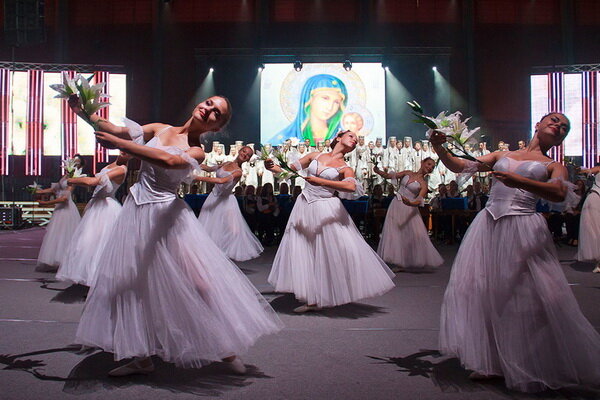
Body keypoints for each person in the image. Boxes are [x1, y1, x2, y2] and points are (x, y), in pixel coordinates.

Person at [72, 96, 282, 376]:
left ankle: (226, 348)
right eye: (209, 104)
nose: (208, 110)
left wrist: (125, 146)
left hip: (169, 217)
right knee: (133, 283)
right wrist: (83, 111)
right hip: (136, 214)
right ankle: (142, 357)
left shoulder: (197, 151)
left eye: (215, 113)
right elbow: (114, 129)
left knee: (200, 284)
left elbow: (170, 161)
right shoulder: (160, 128)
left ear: (216, 126)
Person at [433, 112, 600, 392]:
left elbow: (558, 194)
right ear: (537, 124)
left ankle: (529, 359)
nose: (559, 126)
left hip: (523, 226)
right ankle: (491, 360)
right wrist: (440, 147)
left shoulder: (553, 165)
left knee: (525, 292)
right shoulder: (502, 154)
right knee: (483, 289)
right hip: (488, 225)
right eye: (555, 120)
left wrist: (516, 180)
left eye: (565, 127)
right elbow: (460, 166)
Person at [265, 130, 395, 312]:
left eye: (356, 140)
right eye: (351, 136)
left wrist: (321, 181)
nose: (355, 140)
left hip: (327, 209)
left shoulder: (344, 167)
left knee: (330, 252)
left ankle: (328, 292)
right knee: (305, 249)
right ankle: (312, 297)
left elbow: (350, 186)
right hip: (304, 206)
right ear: (339, 138)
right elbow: (285, 171)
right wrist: (270, 166)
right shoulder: (314, 155)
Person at [56, 152, 130, 285]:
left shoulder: (120, 169)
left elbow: (93, 181)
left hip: (106, 208)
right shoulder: (113, 165)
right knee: (88, 243)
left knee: (100, 243)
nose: (124, 151)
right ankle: (91, 277)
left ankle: (99, 280)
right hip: (96, 205)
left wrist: (71, 180)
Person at [196, 146, 264, 262]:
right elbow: (209, 169)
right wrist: (193, 164)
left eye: (247, 155)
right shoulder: (227, 162)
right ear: (239, 150)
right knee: (209, 228)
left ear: (247, 159)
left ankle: (222, 256)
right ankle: (210, 257)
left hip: (225, 202)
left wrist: (197, 177)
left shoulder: (238, 172)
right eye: (244, 151)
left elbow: (221, 181)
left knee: (228, 231)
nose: (244, 155)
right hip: (213, 198)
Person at [374, 158, 443, 271]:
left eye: (432, 167)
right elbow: (389, 176)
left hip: (409, 209)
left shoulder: (423, 184)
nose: (430, 167)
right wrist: (377, 171)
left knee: (409, 234)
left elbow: (419, 200)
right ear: (422, 162)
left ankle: (409, 260)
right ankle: (399, 261)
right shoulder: (408, 173)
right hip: (396, 205)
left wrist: (410, 203)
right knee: (395, 231)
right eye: (429, 164)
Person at [268, 74, 348, 146]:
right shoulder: (283, 139)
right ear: (309, 99)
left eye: (336, 102)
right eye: (325, 98)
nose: (330, 107)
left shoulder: (343, 138)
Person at [34, 157, 83, 272]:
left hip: (66, 209)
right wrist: (39, 191)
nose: (73, 163)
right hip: (59, 209)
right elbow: (54, 189)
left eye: (77, 162)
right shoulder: (65, 176)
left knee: (66, 234)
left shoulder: (74, 178)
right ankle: (56, 259)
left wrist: (46, 203)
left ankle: (68, 261)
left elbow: (64, 198)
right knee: (56, 234)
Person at [577, 165, 600, 272]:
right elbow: (588, 170)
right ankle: (598, 262)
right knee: (594, 229)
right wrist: (581, 170)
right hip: (596, 198)